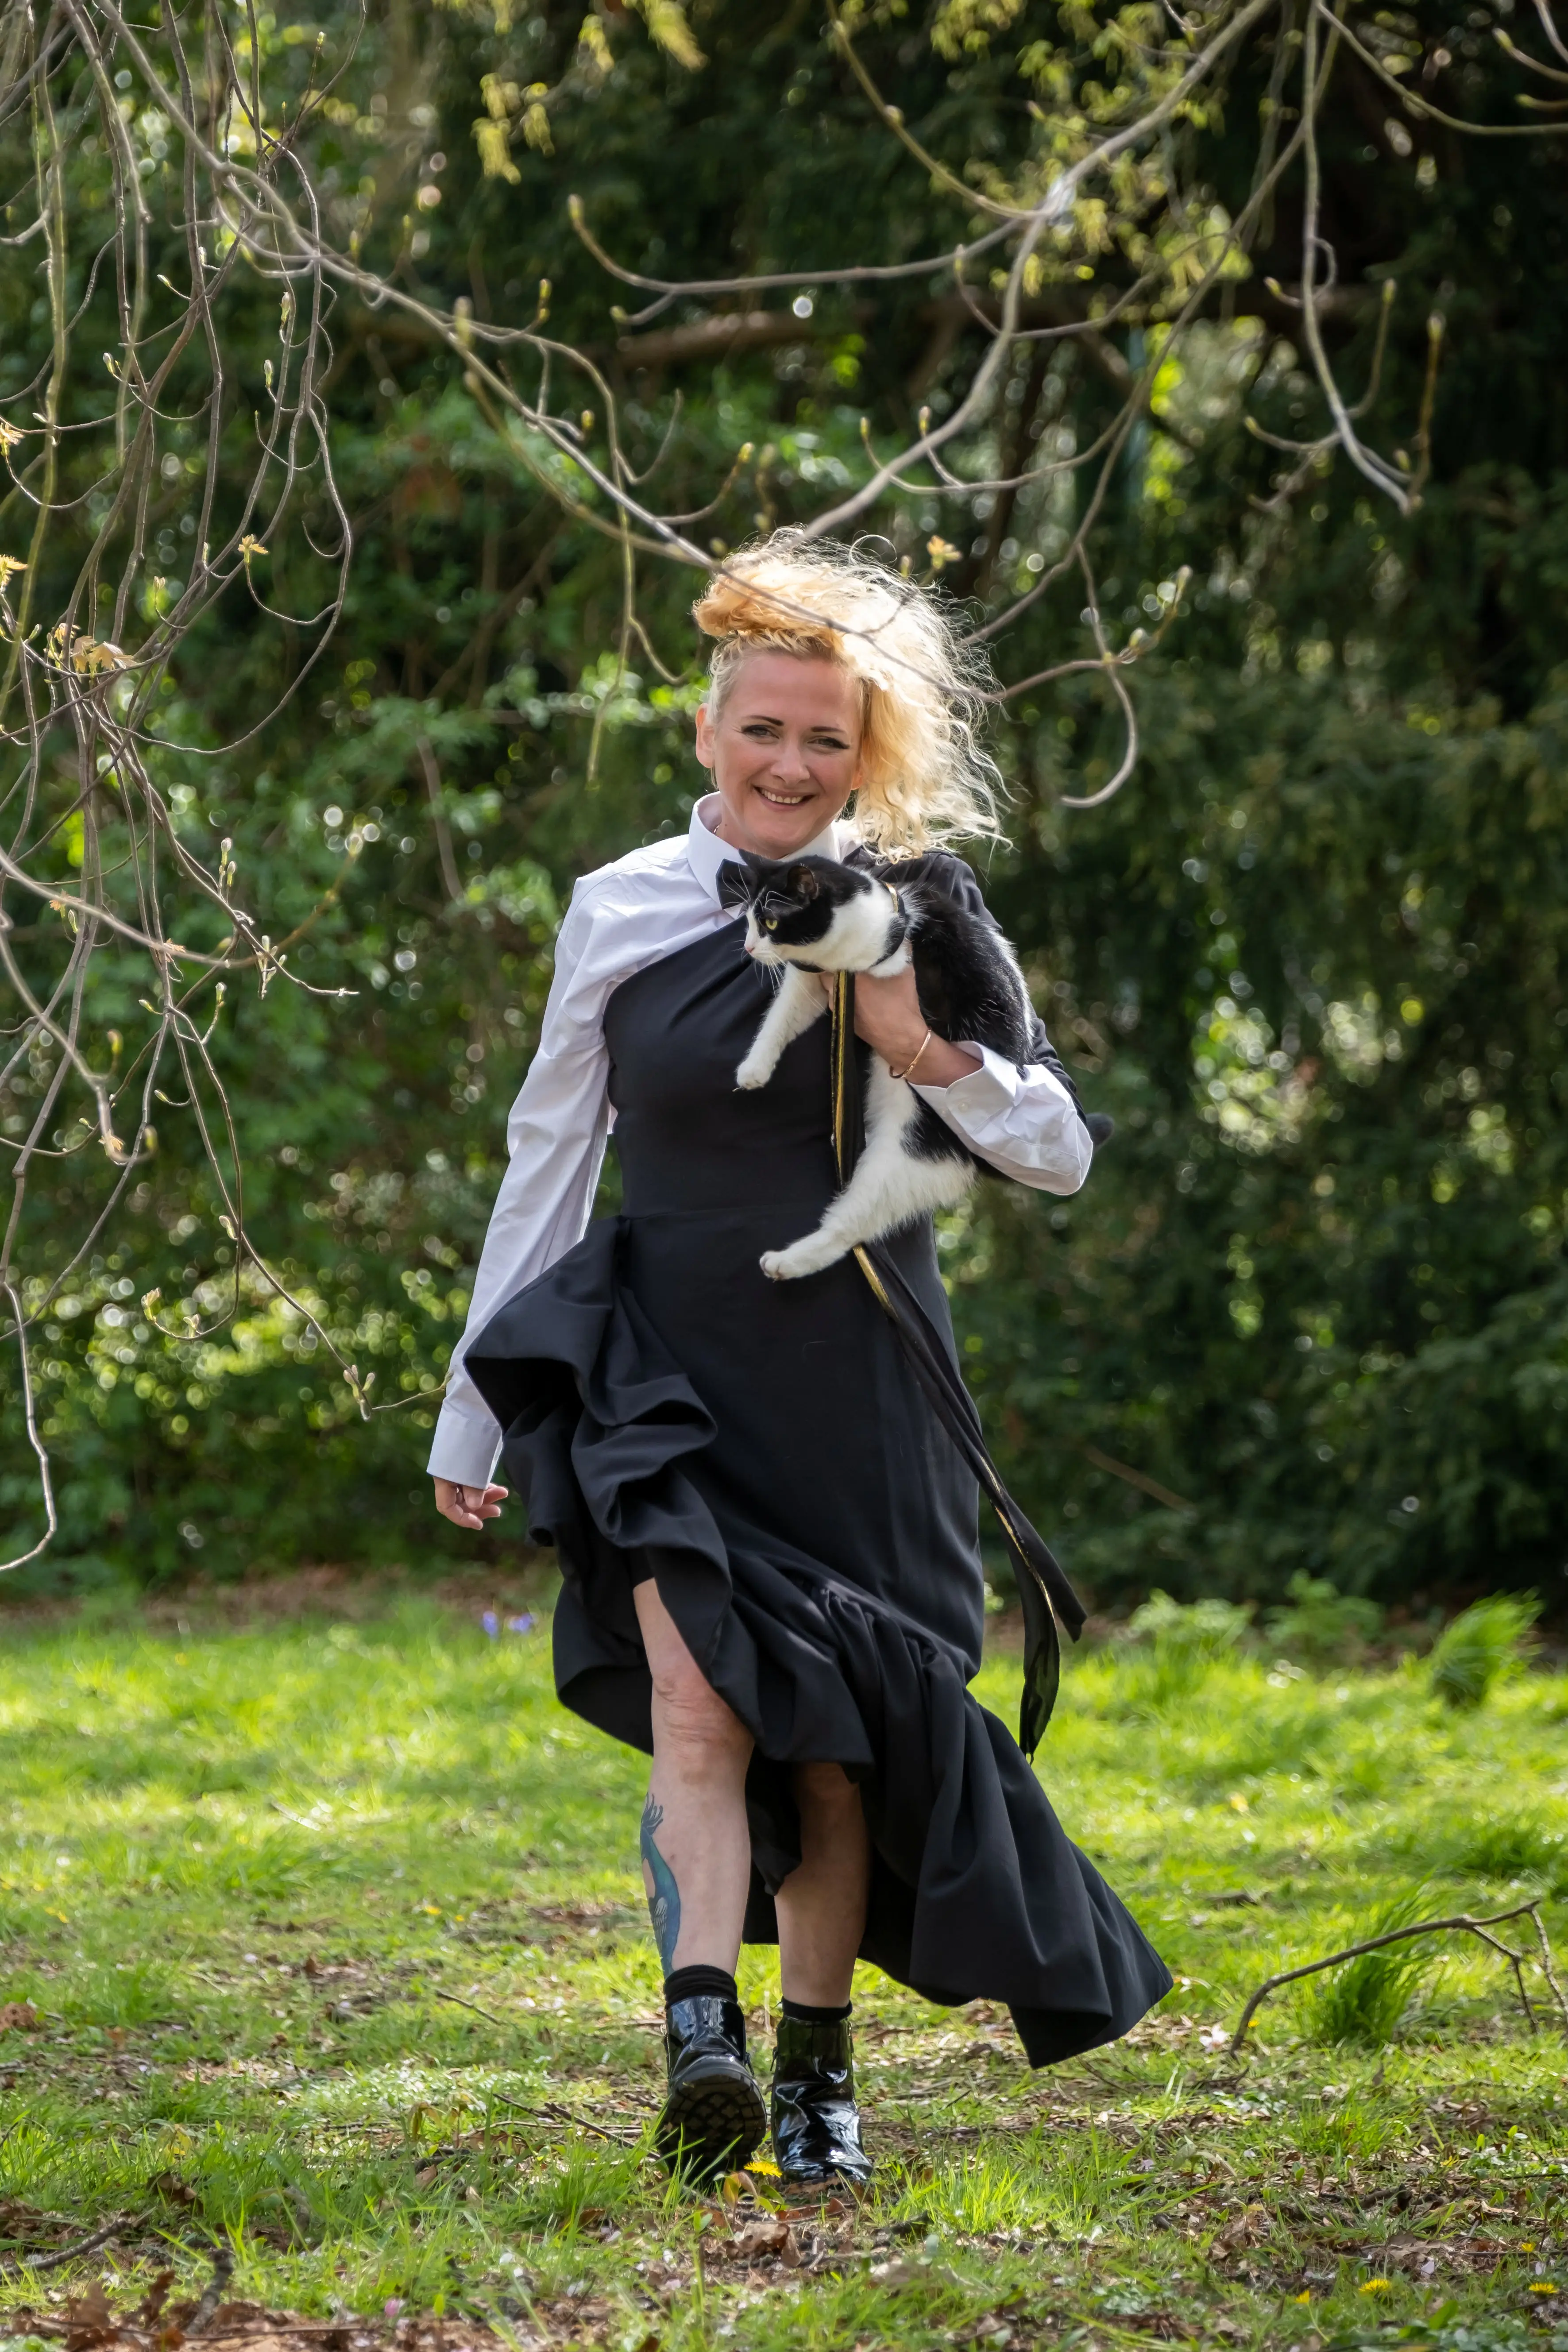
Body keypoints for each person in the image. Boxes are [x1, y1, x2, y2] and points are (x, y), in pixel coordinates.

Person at [428, 532, 1170, 2188]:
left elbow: (1053, 1152)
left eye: (824, 741)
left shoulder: (917, 902)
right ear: (706, 731)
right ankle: (704, 2042)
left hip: (865, 1385)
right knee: (700, 1711)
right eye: (761, 730)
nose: (787, 763)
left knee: (835, 1750)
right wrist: (473, 1413)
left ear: (865, 754)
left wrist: (912, 1037)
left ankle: (820, 2076)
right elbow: (546, 1161)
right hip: (666, 1376)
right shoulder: (614, 910)